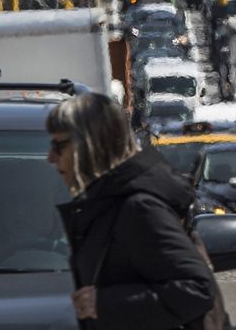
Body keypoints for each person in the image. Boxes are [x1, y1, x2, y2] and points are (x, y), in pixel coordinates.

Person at [47, 93, 216, 329]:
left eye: (59, 145)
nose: (51, 158)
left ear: (92, 145)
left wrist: (103, 304)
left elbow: (197, 289)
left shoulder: (138, 208)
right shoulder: (107, 202)